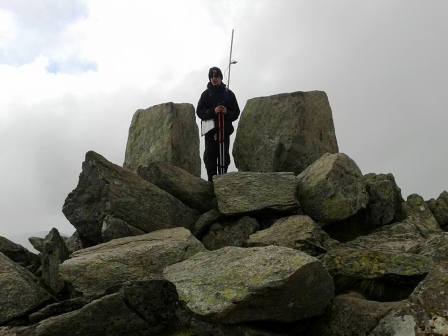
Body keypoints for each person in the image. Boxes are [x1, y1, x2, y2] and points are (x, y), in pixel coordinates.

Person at [196, 67, 240, 182]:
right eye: (212, 77)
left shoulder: (229, 94)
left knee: (224, 156)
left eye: (216, 76)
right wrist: (213, 111)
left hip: (224, 131)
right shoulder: (205, 95)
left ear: (220, 77)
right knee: (209, 156)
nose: (214, 79)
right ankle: (211, 183)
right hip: (210, 132)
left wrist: (226, 112)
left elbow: (236, 112)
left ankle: (223, 181)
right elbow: (199, 112)